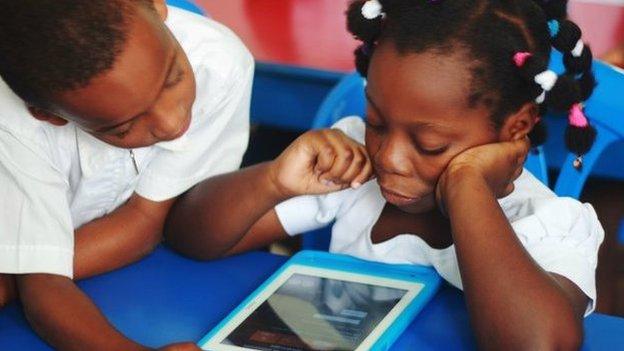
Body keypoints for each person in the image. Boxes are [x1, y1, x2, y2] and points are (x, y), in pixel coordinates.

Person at [165, 0, 604, 349]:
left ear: (518, 127)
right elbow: (191, 238)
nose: (389, 157)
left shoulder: (547, 221)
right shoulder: (353, 169)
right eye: (376, 122)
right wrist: (273, 180)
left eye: (429, 145)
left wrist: (467, 187)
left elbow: (538, 343)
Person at [0, 0, 252, 349]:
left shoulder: (218, 63)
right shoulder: (13, 122)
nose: (173, 124)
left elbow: (146, 223)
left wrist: (20, 268)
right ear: (48, 115)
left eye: (173, 77)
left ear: (156, 6)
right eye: (123, 128)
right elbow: (42, 283)